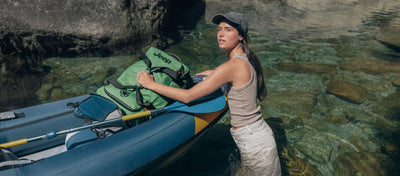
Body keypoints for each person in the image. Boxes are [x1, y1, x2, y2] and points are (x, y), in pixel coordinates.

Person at [137, 12, 281, 176]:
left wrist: (151, 84)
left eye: (228, 30)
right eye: (219, 29)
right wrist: (210, 74)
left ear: (241, 36)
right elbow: (224, 74)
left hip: (254, 141)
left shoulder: (232, 66)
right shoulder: (245, 59)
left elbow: (187, 96)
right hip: (252, 136)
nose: (221, 34)